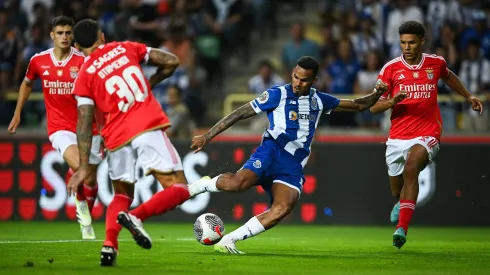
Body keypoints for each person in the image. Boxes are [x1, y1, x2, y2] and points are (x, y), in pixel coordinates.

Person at [188, 56, 389, 254]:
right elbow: (240, 112)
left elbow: (358, 105)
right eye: (295, 76)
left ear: (314, 81)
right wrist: (207, 135)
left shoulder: (319, 100)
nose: (297, 83)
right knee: (237, 184)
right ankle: (202, 185)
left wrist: (376, 94)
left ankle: (229, 240)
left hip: (293, 165)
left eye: (303, 80)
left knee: (282, 208)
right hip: (271, 151)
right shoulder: (277, 94)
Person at [67, 19, 189, 266]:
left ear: (78, 46)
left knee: (121, 195)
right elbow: (172, 61)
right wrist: (149, 84)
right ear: (102, 36)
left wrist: (82, 167)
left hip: (115, 136)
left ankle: (109, 245)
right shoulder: (125, 48)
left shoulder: (83, 77)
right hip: (145, 125)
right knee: (179, 188)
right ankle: (135, 217)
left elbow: (83, 122)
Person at [370, 21, 484, 249]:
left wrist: (468, 96)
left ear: (422, 41)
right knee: (396, 190)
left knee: (412, 167)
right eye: (403, 42)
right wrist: (392, 101)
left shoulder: (435, 63)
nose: (407, 47)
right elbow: (373, 106)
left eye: (411, 42)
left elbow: (448, 75)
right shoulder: (390, 69)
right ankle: (401, 203)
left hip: (427, 130)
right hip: (398, 135)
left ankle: (401, 229)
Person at [7, 16, 101, 240]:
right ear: (52, 35)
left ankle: (83, 203)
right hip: (60, 127)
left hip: (88, 128)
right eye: (60, 33)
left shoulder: (83, 61)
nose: (65, 37)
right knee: (80, 166)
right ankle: (82, 209)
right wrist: (17, 112)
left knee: (89, 179)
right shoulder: (39, 61)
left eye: (68, 33)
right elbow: (27, 83)